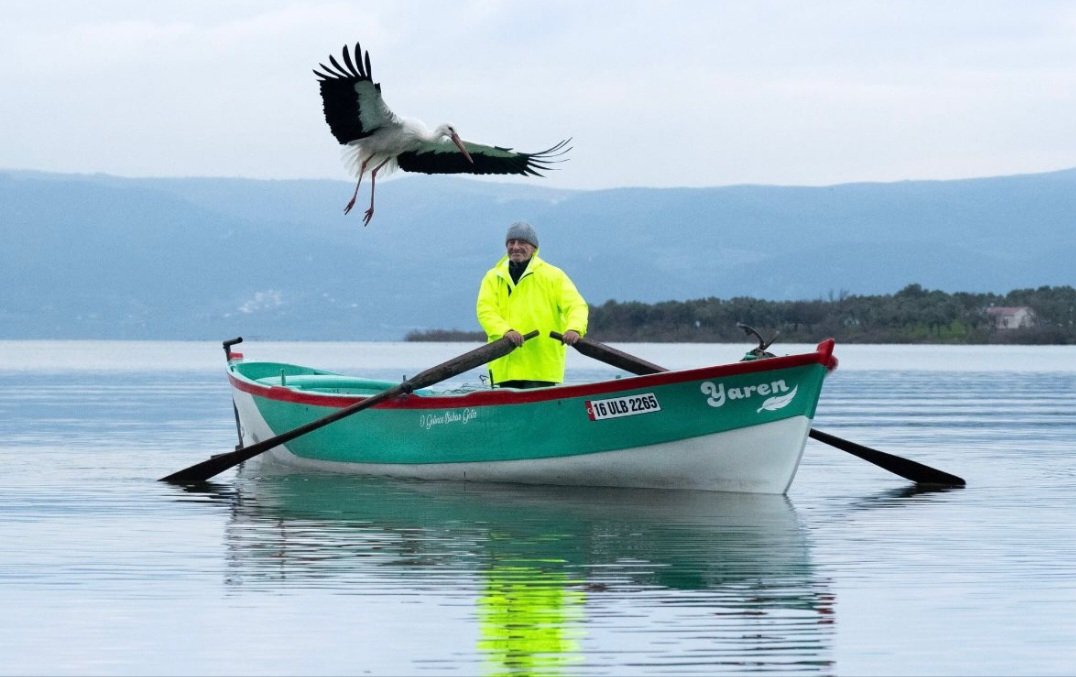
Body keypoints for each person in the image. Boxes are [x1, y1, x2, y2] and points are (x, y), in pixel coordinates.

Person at [476, 222, 589, 388]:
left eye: (522, 243)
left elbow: (576, 306)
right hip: (503, 366)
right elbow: (485, 311)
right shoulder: (492, 277)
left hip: (541, 367)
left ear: (534, 248)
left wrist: (575, 328)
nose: (516, 247)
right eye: (511, 243)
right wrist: (505, 331)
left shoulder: (553, 276)